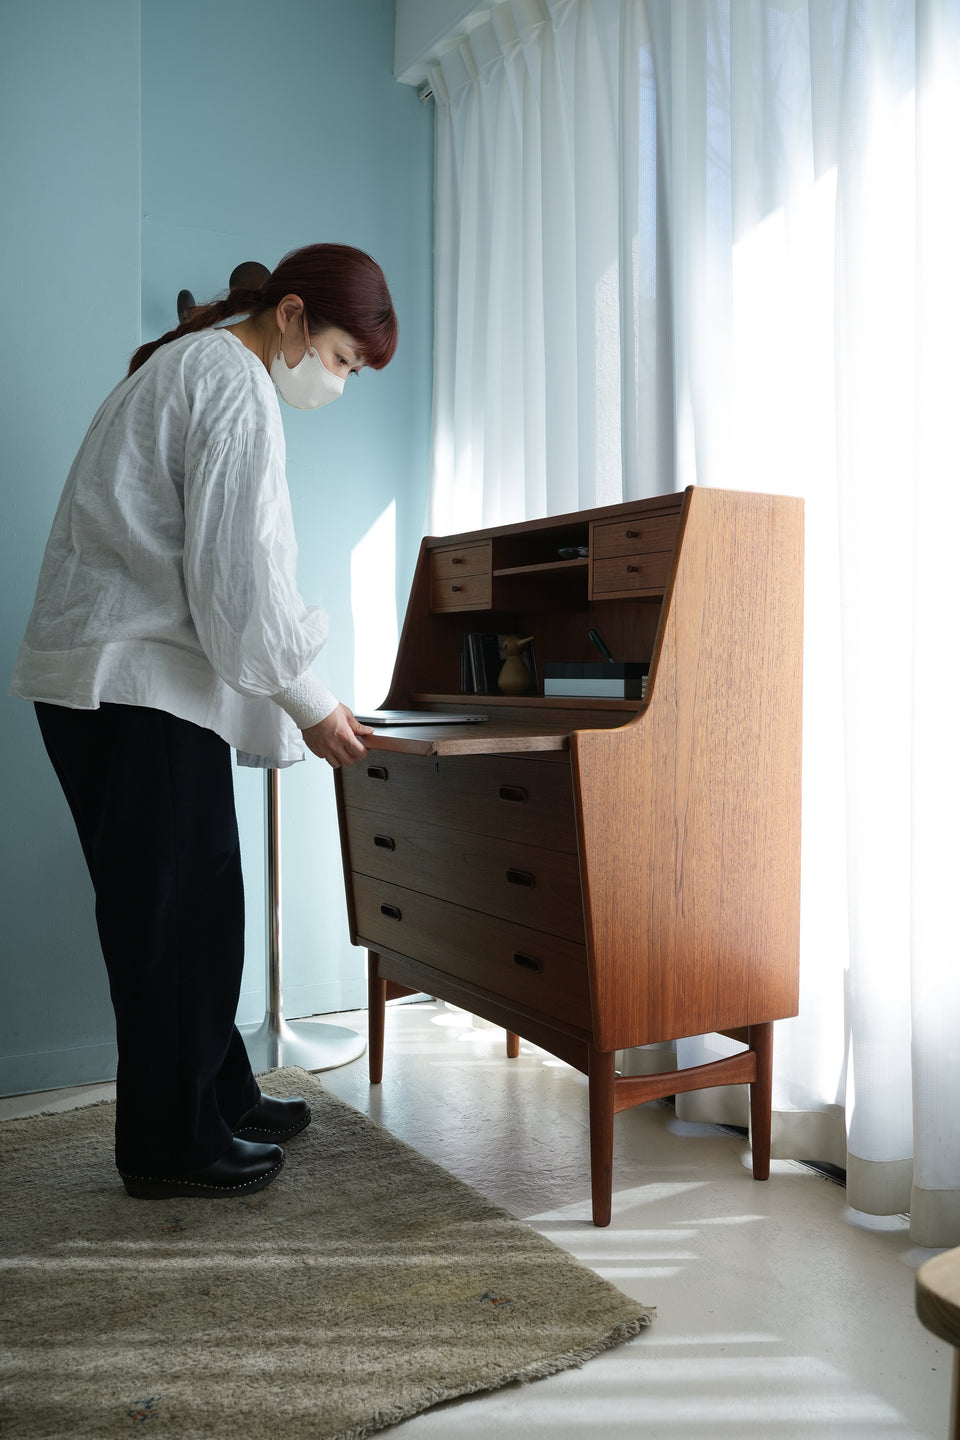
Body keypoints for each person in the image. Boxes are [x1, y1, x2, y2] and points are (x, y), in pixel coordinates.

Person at [9, 244, 398, 1200]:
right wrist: (312, 702)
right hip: (133, 686)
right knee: (174, 923)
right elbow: (240, 584)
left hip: (119, 686)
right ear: (296, 317)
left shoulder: (199, 365)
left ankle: (218, 1093)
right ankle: (168, 1144)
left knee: (191, 911)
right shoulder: (232, 383)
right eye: (344, 359)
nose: (339, 382)